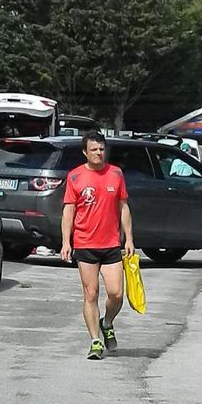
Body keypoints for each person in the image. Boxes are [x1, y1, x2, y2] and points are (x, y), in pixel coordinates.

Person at [60, 130, 134, 360]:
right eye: (94, 149)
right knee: (90, 294)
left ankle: (107, 322)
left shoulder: (116, 174)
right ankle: (95, 342)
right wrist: (65, 242)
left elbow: (123, 207)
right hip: (84, 243)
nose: (98, 153)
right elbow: (68, 211)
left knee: (117, 294)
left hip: (111, 243)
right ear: (85, 152)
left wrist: (129, 238)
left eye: (101, 149)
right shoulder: (75, 177)